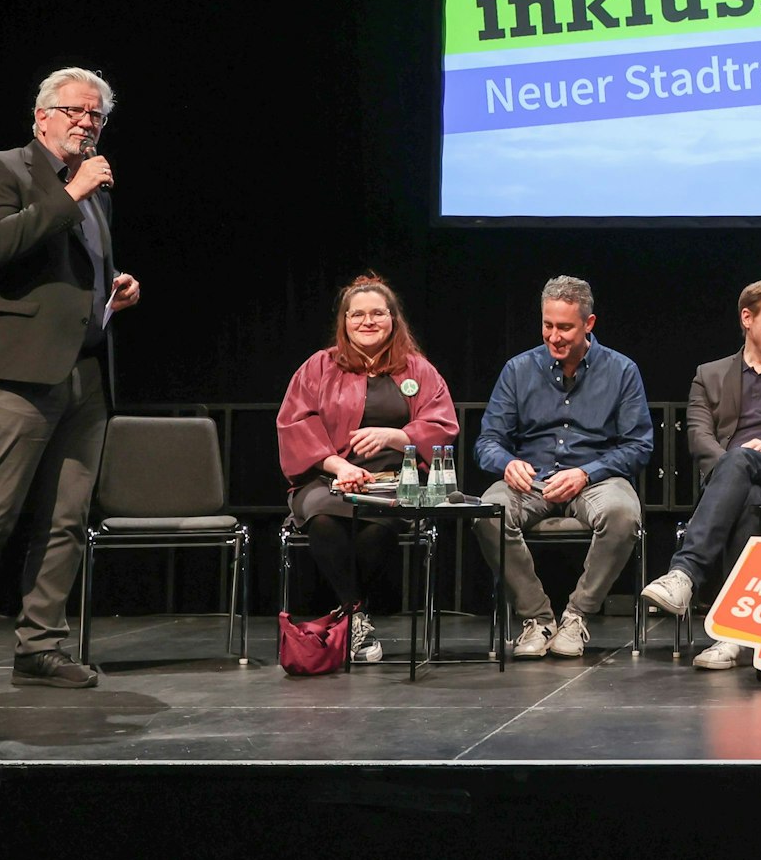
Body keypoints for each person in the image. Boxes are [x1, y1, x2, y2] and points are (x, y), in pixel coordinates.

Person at [0, 67, 143, 698]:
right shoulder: (1, 170)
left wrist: (112, 286)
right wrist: (72, 192)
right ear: (42, 114)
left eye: (97, 117)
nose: (87, 124)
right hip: (16, 374)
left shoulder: (93, 188)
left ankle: (39, 646)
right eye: (76, 111)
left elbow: (67, 270)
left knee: (65, 519)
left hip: (86, 372)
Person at [640, 280, 761, 671]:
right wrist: (735, 462)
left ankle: (684, 573)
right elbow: (699, 438)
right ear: (747, 319)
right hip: (732, 481)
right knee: (745, 494)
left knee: (742, 462)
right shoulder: (709, 375)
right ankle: (732, 635)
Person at [275, 274, 459, 662]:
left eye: (378, 313)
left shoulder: (417, 371)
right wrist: (339, 465)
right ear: (343, 322)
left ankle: (347, 618)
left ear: (393, 319)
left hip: (393, 484)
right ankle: (356, 616)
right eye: (357, 314)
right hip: (326, 479)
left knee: (376, 529)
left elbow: (442, 426)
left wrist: (395, 436)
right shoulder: (318, 367)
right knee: (324, 519)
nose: (367, 321)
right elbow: (295, 424)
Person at [474, 276, 653, 660]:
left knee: (623, 514)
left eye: (565, 327)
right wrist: (507, 463)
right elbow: (487, 441)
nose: (554, 336)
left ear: (589, 324)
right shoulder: (518, 370)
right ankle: (537, 619)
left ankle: (576, 616)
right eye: (547, 325)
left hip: (594, 478)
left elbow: (639, 445)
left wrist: (586, 473)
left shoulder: (621, 371)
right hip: (531, 479)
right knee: (488, 511)